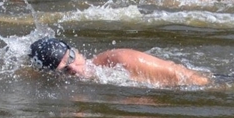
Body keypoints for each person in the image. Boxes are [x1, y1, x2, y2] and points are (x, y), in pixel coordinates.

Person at [29, 37, 210, 87]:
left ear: (75, 50)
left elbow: (195, 80)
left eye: (71, 59)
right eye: (66, 71)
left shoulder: (121, 61)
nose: (76, 70)